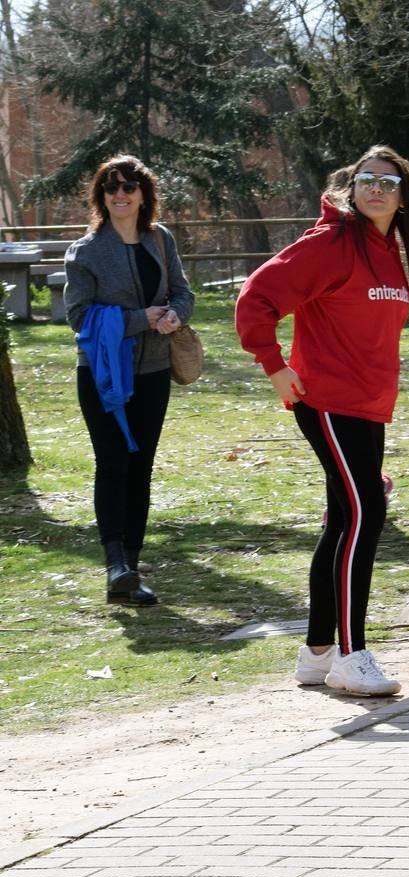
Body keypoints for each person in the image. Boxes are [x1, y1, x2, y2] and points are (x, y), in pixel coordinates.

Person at [236, 145, 409, 696]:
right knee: (366, 515)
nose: (377, 189)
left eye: (388, 183)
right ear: (352, 185)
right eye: (367, 179)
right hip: (330, 403)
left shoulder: (389, 251)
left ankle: (317, 653)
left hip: (368, 406)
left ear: (403, 197)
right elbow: (255, 300)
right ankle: (351, 652)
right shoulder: (330, 242)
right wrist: (275, 367)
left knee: (344, 520)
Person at [64, 155, 195, 607]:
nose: (120, 194)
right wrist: (141, 319)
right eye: (111, 187)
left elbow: (183, 290)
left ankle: (130, 572)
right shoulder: (85, 251)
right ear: (101, 196)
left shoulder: (160, 240)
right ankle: (114, 563)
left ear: (144, 194)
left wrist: (177, 313)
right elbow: (78, 317)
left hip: (155, 371)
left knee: (140, 467)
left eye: (129, 187)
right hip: (101, 374)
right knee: (112, 461)